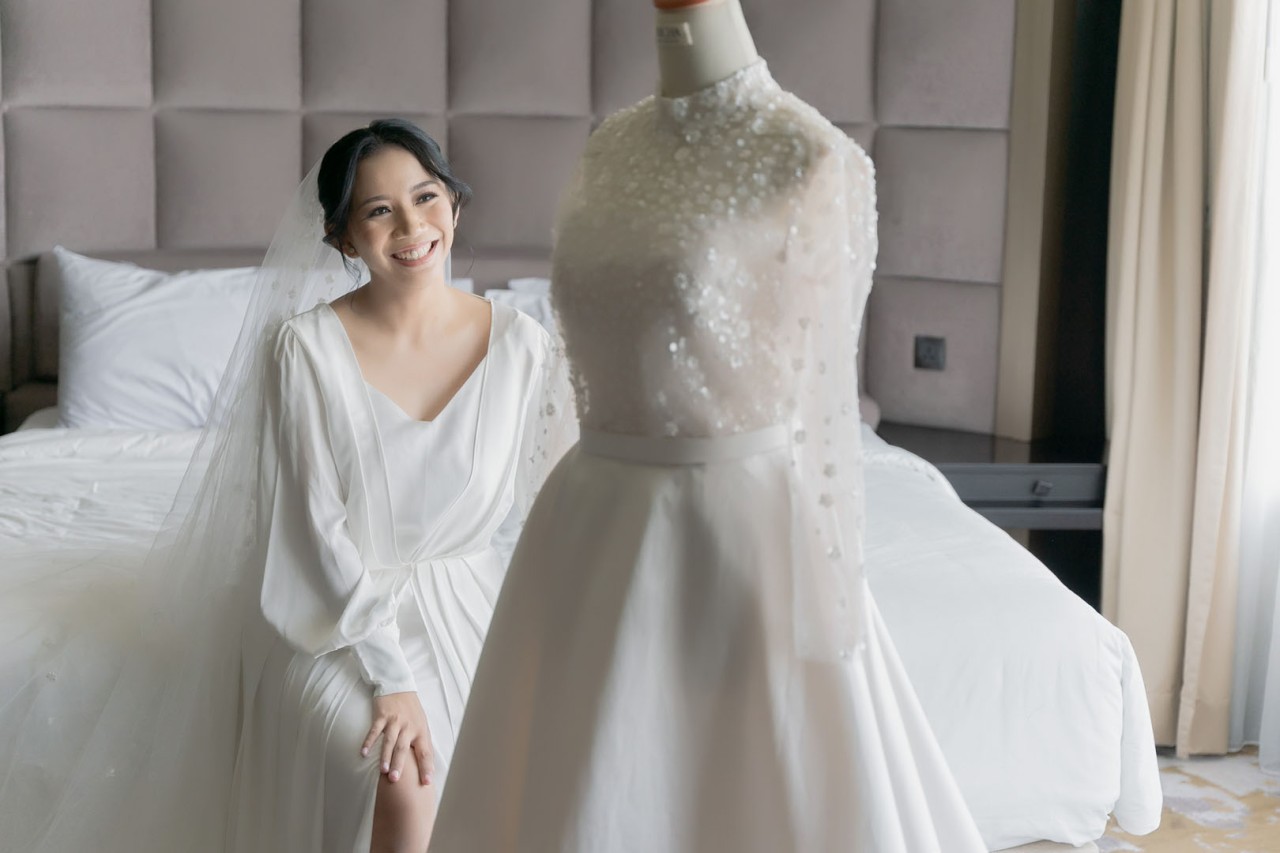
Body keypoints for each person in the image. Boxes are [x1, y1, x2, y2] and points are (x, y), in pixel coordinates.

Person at [430, 3, 986, 851]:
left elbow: (826, 405)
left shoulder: (810, 155)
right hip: (585, 526)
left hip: (730, 528)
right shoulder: (609, 148)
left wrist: (831, 591)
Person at [0, 119, 573, 853]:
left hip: (473, 601)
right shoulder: (304, 348)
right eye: (378, 210)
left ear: (454, 205)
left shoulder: (523, 345)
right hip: (337, 619)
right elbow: (313, 531)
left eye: (426, 196)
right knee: (399, 774)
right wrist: (391, 679)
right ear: (342, 238)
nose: (411, 226)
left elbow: (553, 500)